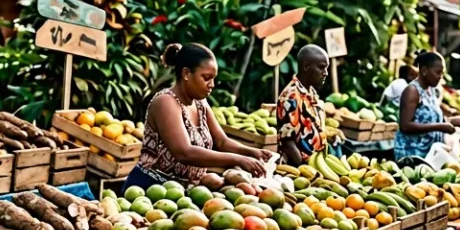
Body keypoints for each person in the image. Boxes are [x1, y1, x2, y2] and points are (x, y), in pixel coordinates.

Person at [126, 44, 269, 193]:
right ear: (186, 74)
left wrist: (253, 152)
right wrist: (237, 159)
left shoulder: (200, 104)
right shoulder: (165, 102)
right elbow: (184, 152)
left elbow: (222, 141)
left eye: (213, 79)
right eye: (206, 78)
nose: (211, 85)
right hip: (149, 189)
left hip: (181, 192)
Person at [394, 52, 455, 160]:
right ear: (424, 71)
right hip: (412, 155)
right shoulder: (412, 91)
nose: (440, 77)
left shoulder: (430, 90)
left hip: (430, 155)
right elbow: (405, 125)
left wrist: (450, 121)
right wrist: (439, 127)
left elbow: (428, 118)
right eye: (438, 72)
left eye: (442, 73)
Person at [277, 45, 330, 165]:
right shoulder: (290, 97)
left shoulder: (310, 92)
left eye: (326, 68)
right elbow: (288, 143)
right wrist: (304, 169)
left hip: (316, 162)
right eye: (321, 68)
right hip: (300, 168)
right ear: (306, 66)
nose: (325, 73)